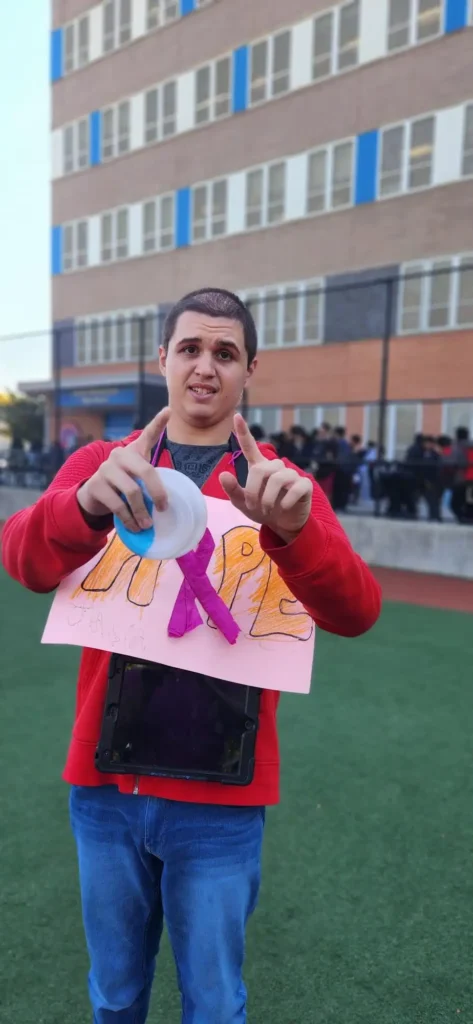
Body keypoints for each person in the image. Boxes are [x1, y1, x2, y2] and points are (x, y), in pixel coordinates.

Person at [2, 287, 382, 1024]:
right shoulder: (101, 462)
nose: (205, 366)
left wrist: (295, 533)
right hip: (106, 789)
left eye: (225, 353)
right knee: (114, 997)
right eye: (190, 349)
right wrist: (80, 506)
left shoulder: (279, 485)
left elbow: (357, 612)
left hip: (221, 802)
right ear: (162, 361)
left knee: (214, 1004)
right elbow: (24, 560)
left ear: (249, 371)